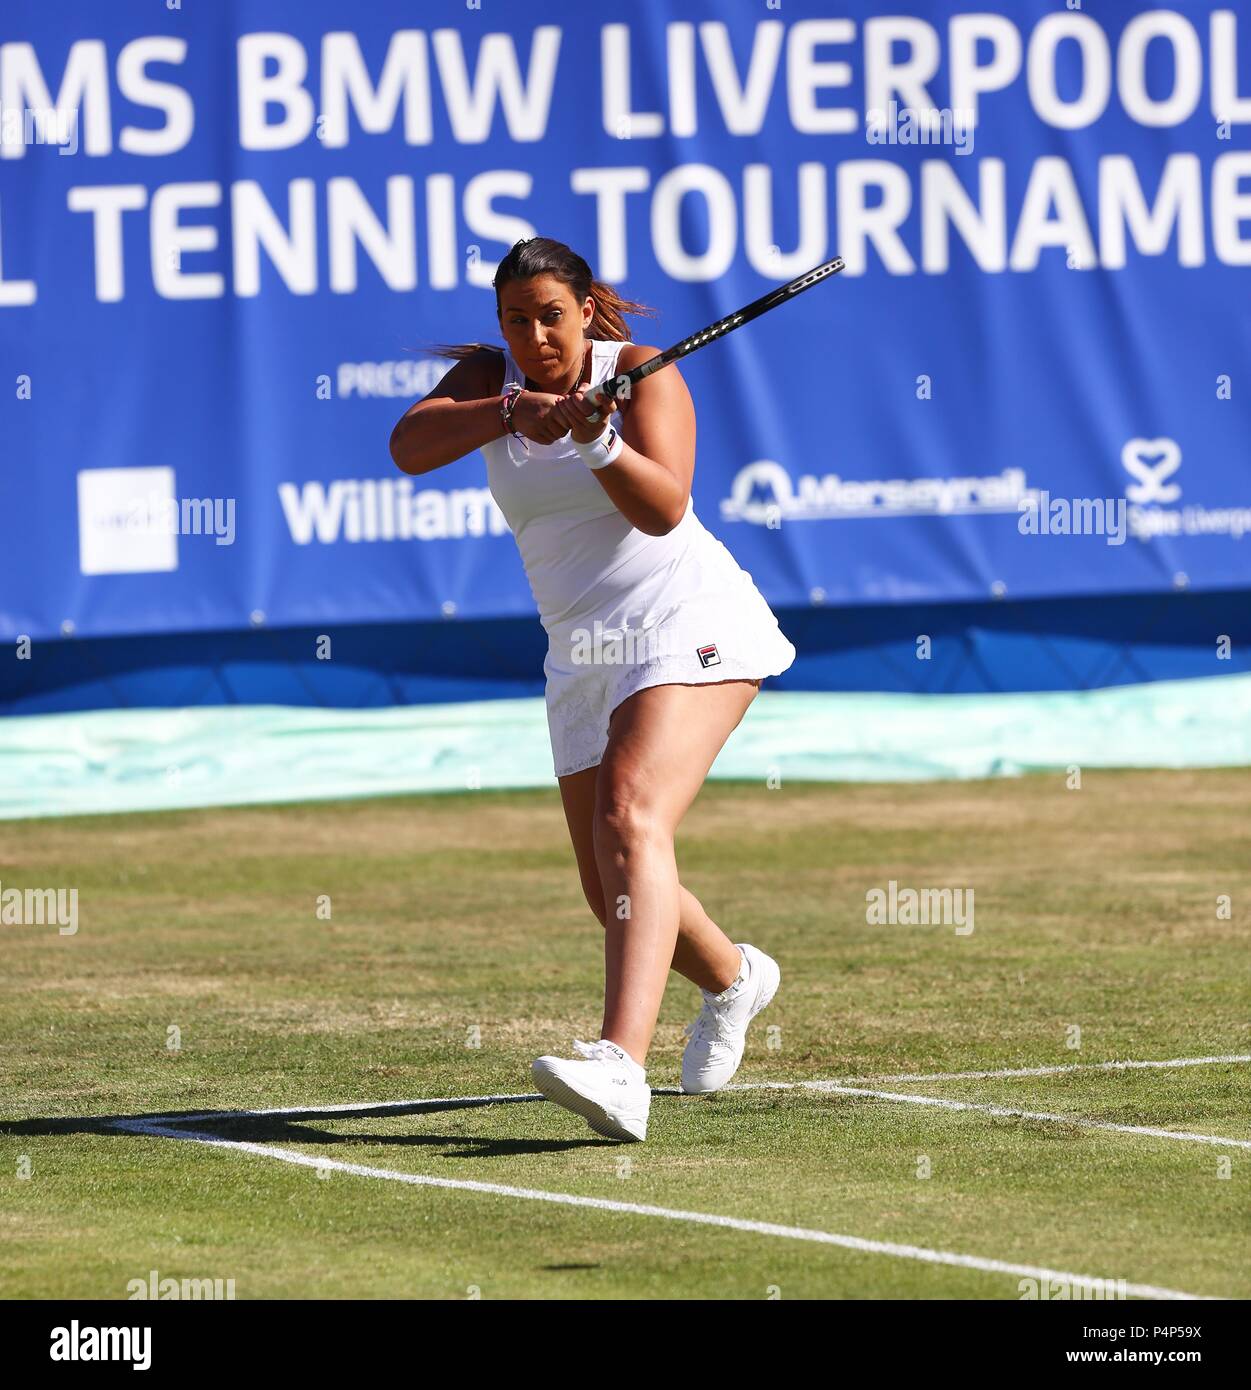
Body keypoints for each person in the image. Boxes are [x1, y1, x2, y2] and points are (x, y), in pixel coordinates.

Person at [389, 236, 795, 1142]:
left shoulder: (641, 369)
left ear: (583, 310)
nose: (533, 334)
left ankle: (619, 1066)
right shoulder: (492, 382)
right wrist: (509, 412)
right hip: (580, 651)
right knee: (605, 881)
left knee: (629, 818)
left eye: (550, 316)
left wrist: (595, 438)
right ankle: (733, 979)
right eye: (514, 319)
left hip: (688, 618)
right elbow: (407, 447)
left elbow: (664, 509)